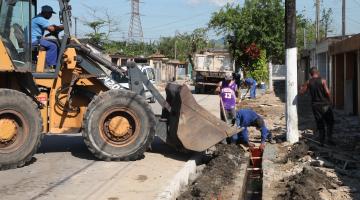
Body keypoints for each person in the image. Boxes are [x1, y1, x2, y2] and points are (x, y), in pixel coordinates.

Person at [300, 67, 335, 145]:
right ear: (317, 72)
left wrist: (301, 87)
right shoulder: (323, 81)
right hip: (325, 105)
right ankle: (329, 139)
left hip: (315, 106)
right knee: (330, 122)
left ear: (311, 74)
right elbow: (327, 92)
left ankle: (321, 141)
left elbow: (302, 92)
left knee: (320, 122)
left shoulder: (308, 82)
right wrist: (331, 101)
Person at [31, 5, 64, 70]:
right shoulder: (40, 19)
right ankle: (49, 66)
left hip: (35, 39)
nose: (51, 15)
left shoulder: (37, 18)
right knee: (53, 46)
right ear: (46, 13)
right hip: (34, 41)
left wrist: (56, 28)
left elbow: (50, 28)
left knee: (53, 42)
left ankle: (55, 65)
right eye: (50, 13)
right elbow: (51, 29)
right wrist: (63, 26)